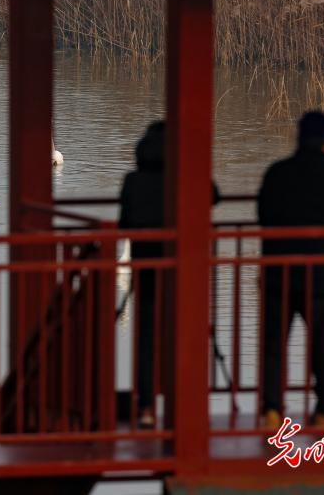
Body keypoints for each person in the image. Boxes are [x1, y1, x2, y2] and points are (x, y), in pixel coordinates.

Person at [258, 111, 324, 429]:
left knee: (274, 344)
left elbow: (264, 217)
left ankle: (271, 410)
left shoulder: (277, 173)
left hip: (278, 273)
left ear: (298, 139)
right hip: (319, 276)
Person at [119, 120, 218, 428]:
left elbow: (125, 224)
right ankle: (189, 405)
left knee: (146, 338)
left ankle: (147, 406)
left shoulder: (133, 181)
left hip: (147, 269)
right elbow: (214, 196)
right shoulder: (184, 178)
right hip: (184, 270)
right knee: (187, 334)